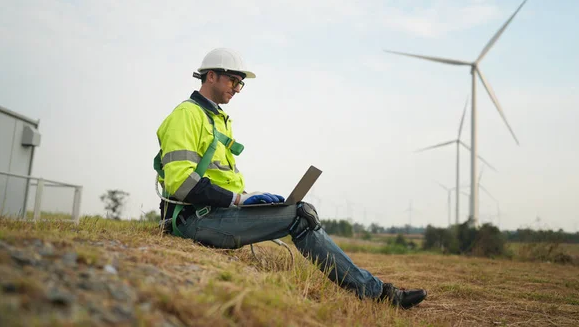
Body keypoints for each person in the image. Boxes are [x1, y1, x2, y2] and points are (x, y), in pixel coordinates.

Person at [154, 47, 427, 309]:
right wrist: (240, 199)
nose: (237, 89)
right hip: (193, 219)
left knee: (299, 210)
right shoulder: (187, 115)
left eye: (240, 84)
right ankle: (376, 293)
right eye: (233, 80)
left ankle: (372, 288)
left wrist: (249, 199)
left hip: (216, 212)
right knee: (300, 215)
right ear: (211, 75)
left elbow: (218, 179)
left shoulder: (217, 118)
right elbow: (181, 184)